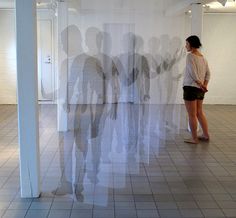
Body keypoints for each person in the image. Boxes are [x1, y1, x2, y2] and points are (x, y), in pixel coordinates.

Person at [183, 35, 210, 144]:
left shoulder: (190, 56)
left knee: (192, 114)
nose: (185, 46)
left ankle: (194, 138)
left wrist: (200, 84)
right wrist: (204, 85)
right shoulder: (203, 58)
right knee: (199, 112)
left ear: (192, 45)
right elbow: (208, 74)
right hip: (200, 90)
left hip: (190, 87)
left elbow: (192, 73)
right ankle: (206, 135)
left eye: (187, 44)